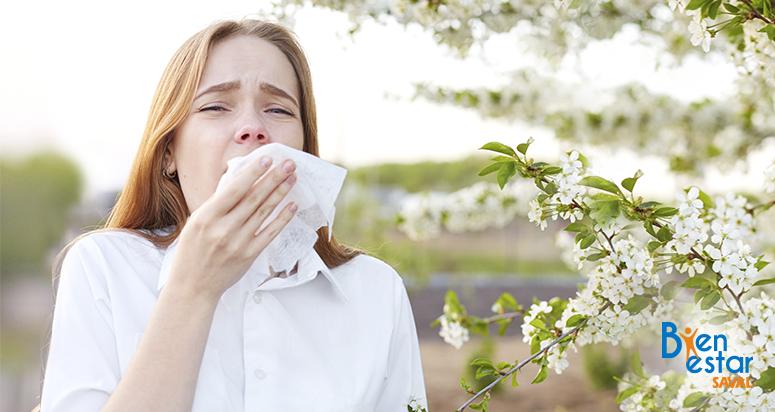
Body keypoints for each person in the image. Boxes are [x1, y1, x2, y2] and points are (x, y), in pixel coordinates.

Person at [40, 18, 427, 412]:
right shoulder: (103, 268)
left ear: (304, 151)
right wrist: (193, 289)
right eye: (215, 106)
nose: (253, 128)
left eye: (277, 109)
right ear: (169, 152)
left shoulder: (376, 292)